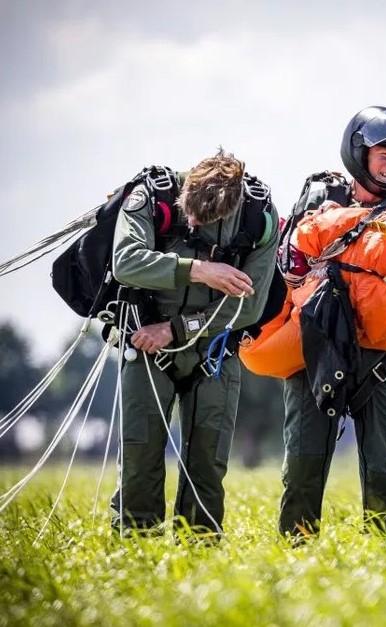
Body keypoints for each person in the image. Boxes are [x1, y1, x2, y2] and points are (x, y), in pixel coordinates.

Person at [278, 106, 386, 537]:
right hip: (317, 351)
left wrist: (379, 308)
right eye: (384, 155)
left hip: (385, 359)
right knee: (302, 465)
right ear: (358, 154)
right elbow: (286, 270)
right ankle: (297, 561)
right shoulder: (315, 208)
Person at [110, 150, 279, 535]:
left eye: (201, 220)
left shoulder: (260, 218)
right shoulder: (153, 197)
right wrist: (200, 271)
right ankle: (136, 548)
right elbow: (126, 262)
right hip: (145, 346)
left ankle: (199, 555)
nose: (190, 222)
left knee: (207, 463)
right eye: (189, 211)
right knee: (139, 455)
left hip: (214, 352)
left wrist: (175, 329)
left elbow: (249, 306)